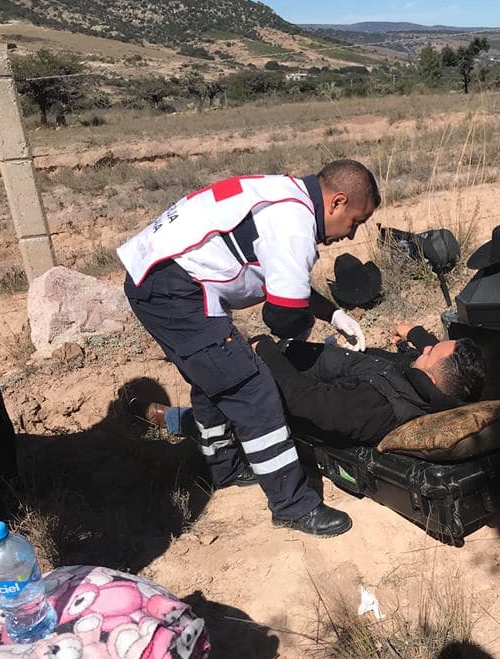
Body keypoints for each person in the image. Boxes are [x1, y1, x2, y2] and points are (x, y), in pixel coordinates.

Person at [117, 160, 381, 538]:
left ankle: (222, 468)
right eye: (355, 221)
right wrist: (296, 339)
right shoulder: (294, 222)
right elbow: (283, 315)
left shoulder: (286, 196)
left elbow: (283, 280)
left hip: (163, 276)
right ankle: (292, 505)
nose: (351, 234)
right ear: (337, 202)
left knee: (215, 378)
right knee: (252, 388)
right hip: (172, 288)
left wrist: (332, 313)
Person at [131, 323, 486, 448]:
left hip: (286, 391)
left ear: (435, 378)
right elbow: (437, 352)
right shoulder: (430, 384)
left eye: (429, 352)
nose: (424, 349)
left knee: (232, 396)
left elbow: (302, 400)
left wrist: (264, 350)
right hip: (323, 363)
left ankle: (179, 422)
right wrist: (415, 334)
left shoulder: (379, 407)